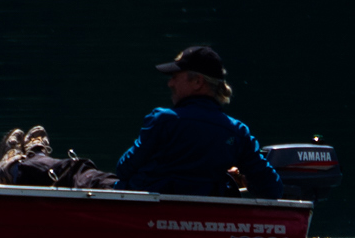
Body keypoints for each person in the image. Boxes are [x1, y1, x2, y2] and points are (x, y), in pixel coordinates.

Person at [113, 46, 283, 197]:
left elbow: (123, 169)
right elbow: (272, 189)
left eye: (175, 77)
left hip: (151, 213)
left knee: (89, 174)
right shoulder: (238, 132)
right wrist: (240, 178)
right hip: (208, 218)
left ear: (197, 82)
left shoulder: (162, 120)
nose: (170, 83)